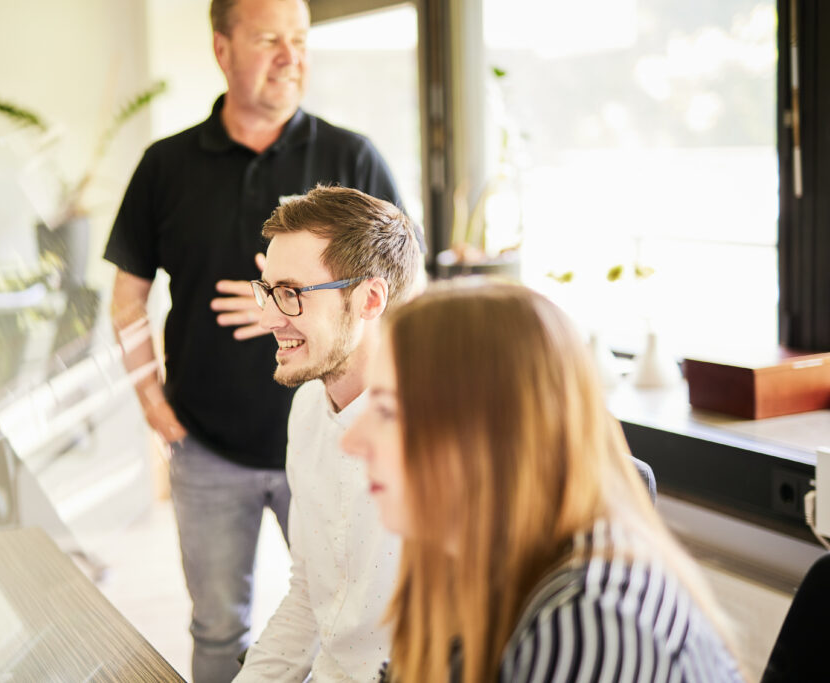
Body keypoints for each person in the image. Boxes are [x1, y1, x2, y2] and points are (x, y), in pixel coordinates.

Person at [104, 0, 406, 680]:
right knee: (219, 628)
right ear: (222, 49)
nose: (291, 55)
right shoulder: (165, 164)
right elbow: (127, 299)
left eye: (299, 40)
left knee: (351, 607)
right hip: (209, 447)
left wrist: (279, 301)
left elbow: (405, 286)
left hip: (341, 436)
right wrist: (153, 404)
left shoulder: (351, 155)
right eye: (269, 39)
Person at [341, 280, 745, 683]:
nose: (352, 440)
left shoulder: (592, 620)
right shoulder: (466, 557)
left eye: (389, 412)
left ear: (491, 438)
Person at [233, 185, 423, 681]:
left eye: (291, 294)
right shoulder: (307, 411)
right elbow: (308, 595)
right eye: (269, 291)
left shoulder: (437, 435)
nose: (269, 318)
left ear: (370, 299)